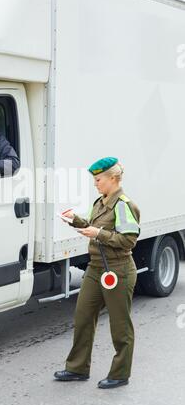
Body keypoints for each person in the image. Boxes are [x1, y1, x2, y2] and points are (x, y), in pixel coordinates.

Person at [54, 157, 140, 389]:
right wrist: (76, 221)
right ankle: (77, 368)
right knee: (83, 317)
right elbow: (95, 227)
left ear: (113, 178)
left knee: (120, 326)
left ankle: (120, 374)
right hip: (96, 268)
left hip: (118, 269)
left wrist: (98, 233)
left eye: (99, 179)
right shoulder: (100, 202)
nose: (96, 184)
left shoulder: (123, 204)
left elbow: (129, 240)